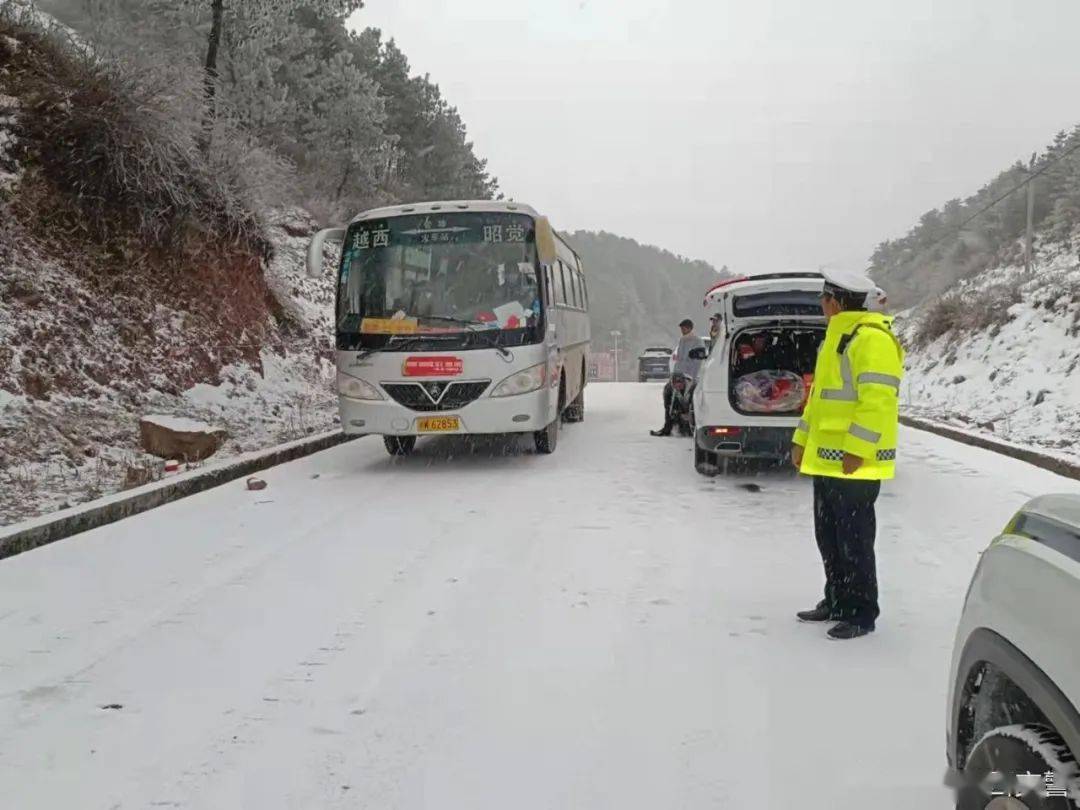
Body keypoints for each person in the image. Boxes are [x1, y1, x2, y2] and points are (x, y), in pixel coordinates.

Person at [791, 269, 904, 641]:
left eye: (824, 300)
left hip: (856, 462)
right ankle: (836, 600)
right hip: (827, 459)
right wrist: (800, 441)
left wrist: (857, 448)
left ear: (836, 302)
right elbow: (819, 403)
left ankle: (861, 612)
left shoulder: (872, 340)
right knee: (830, 536)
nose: (821, 307)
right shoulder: (835, 340)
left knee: (854, 540)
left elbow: (878, 402)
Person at [650, 318, 705, 436]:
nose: (682, 330)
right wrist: (675, 374)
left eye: (684, 328)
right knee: (668, 393)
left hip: (690, 376)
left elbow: (698, 361)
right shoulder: (682, 340)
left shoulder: (697, 341)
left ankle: (692, 426)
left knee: (690, 399)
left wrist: (691, 376)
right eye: (681, 328)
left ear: (690, 328)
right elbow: (679, 359)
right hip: (679, 375)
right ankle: (668, 426)